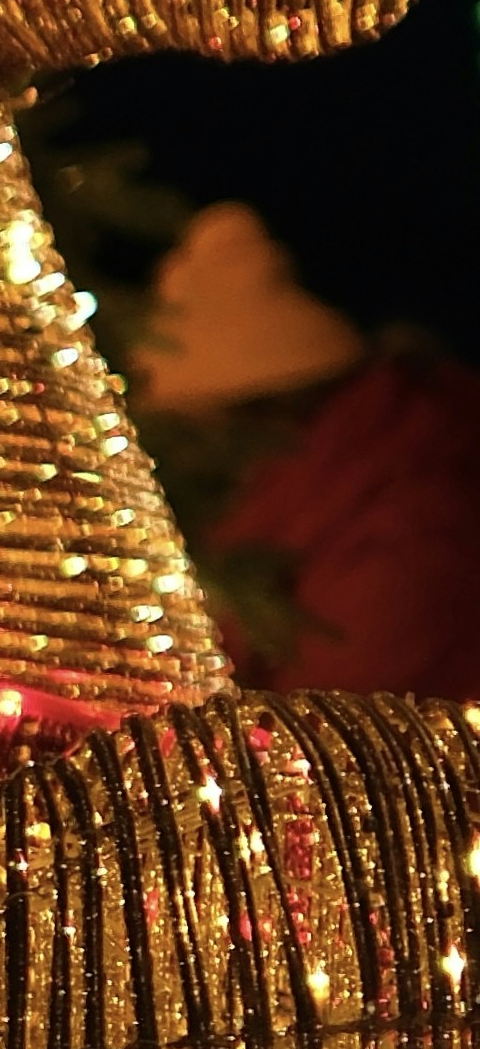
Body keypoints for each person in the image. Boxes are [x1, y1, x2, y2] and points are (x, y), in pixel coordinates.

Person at [125, 179, 480, 703]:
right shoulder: (316, 488)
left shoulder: (410, 504)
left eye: (195, 428)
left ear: (261, 407)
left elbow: (341, 735)